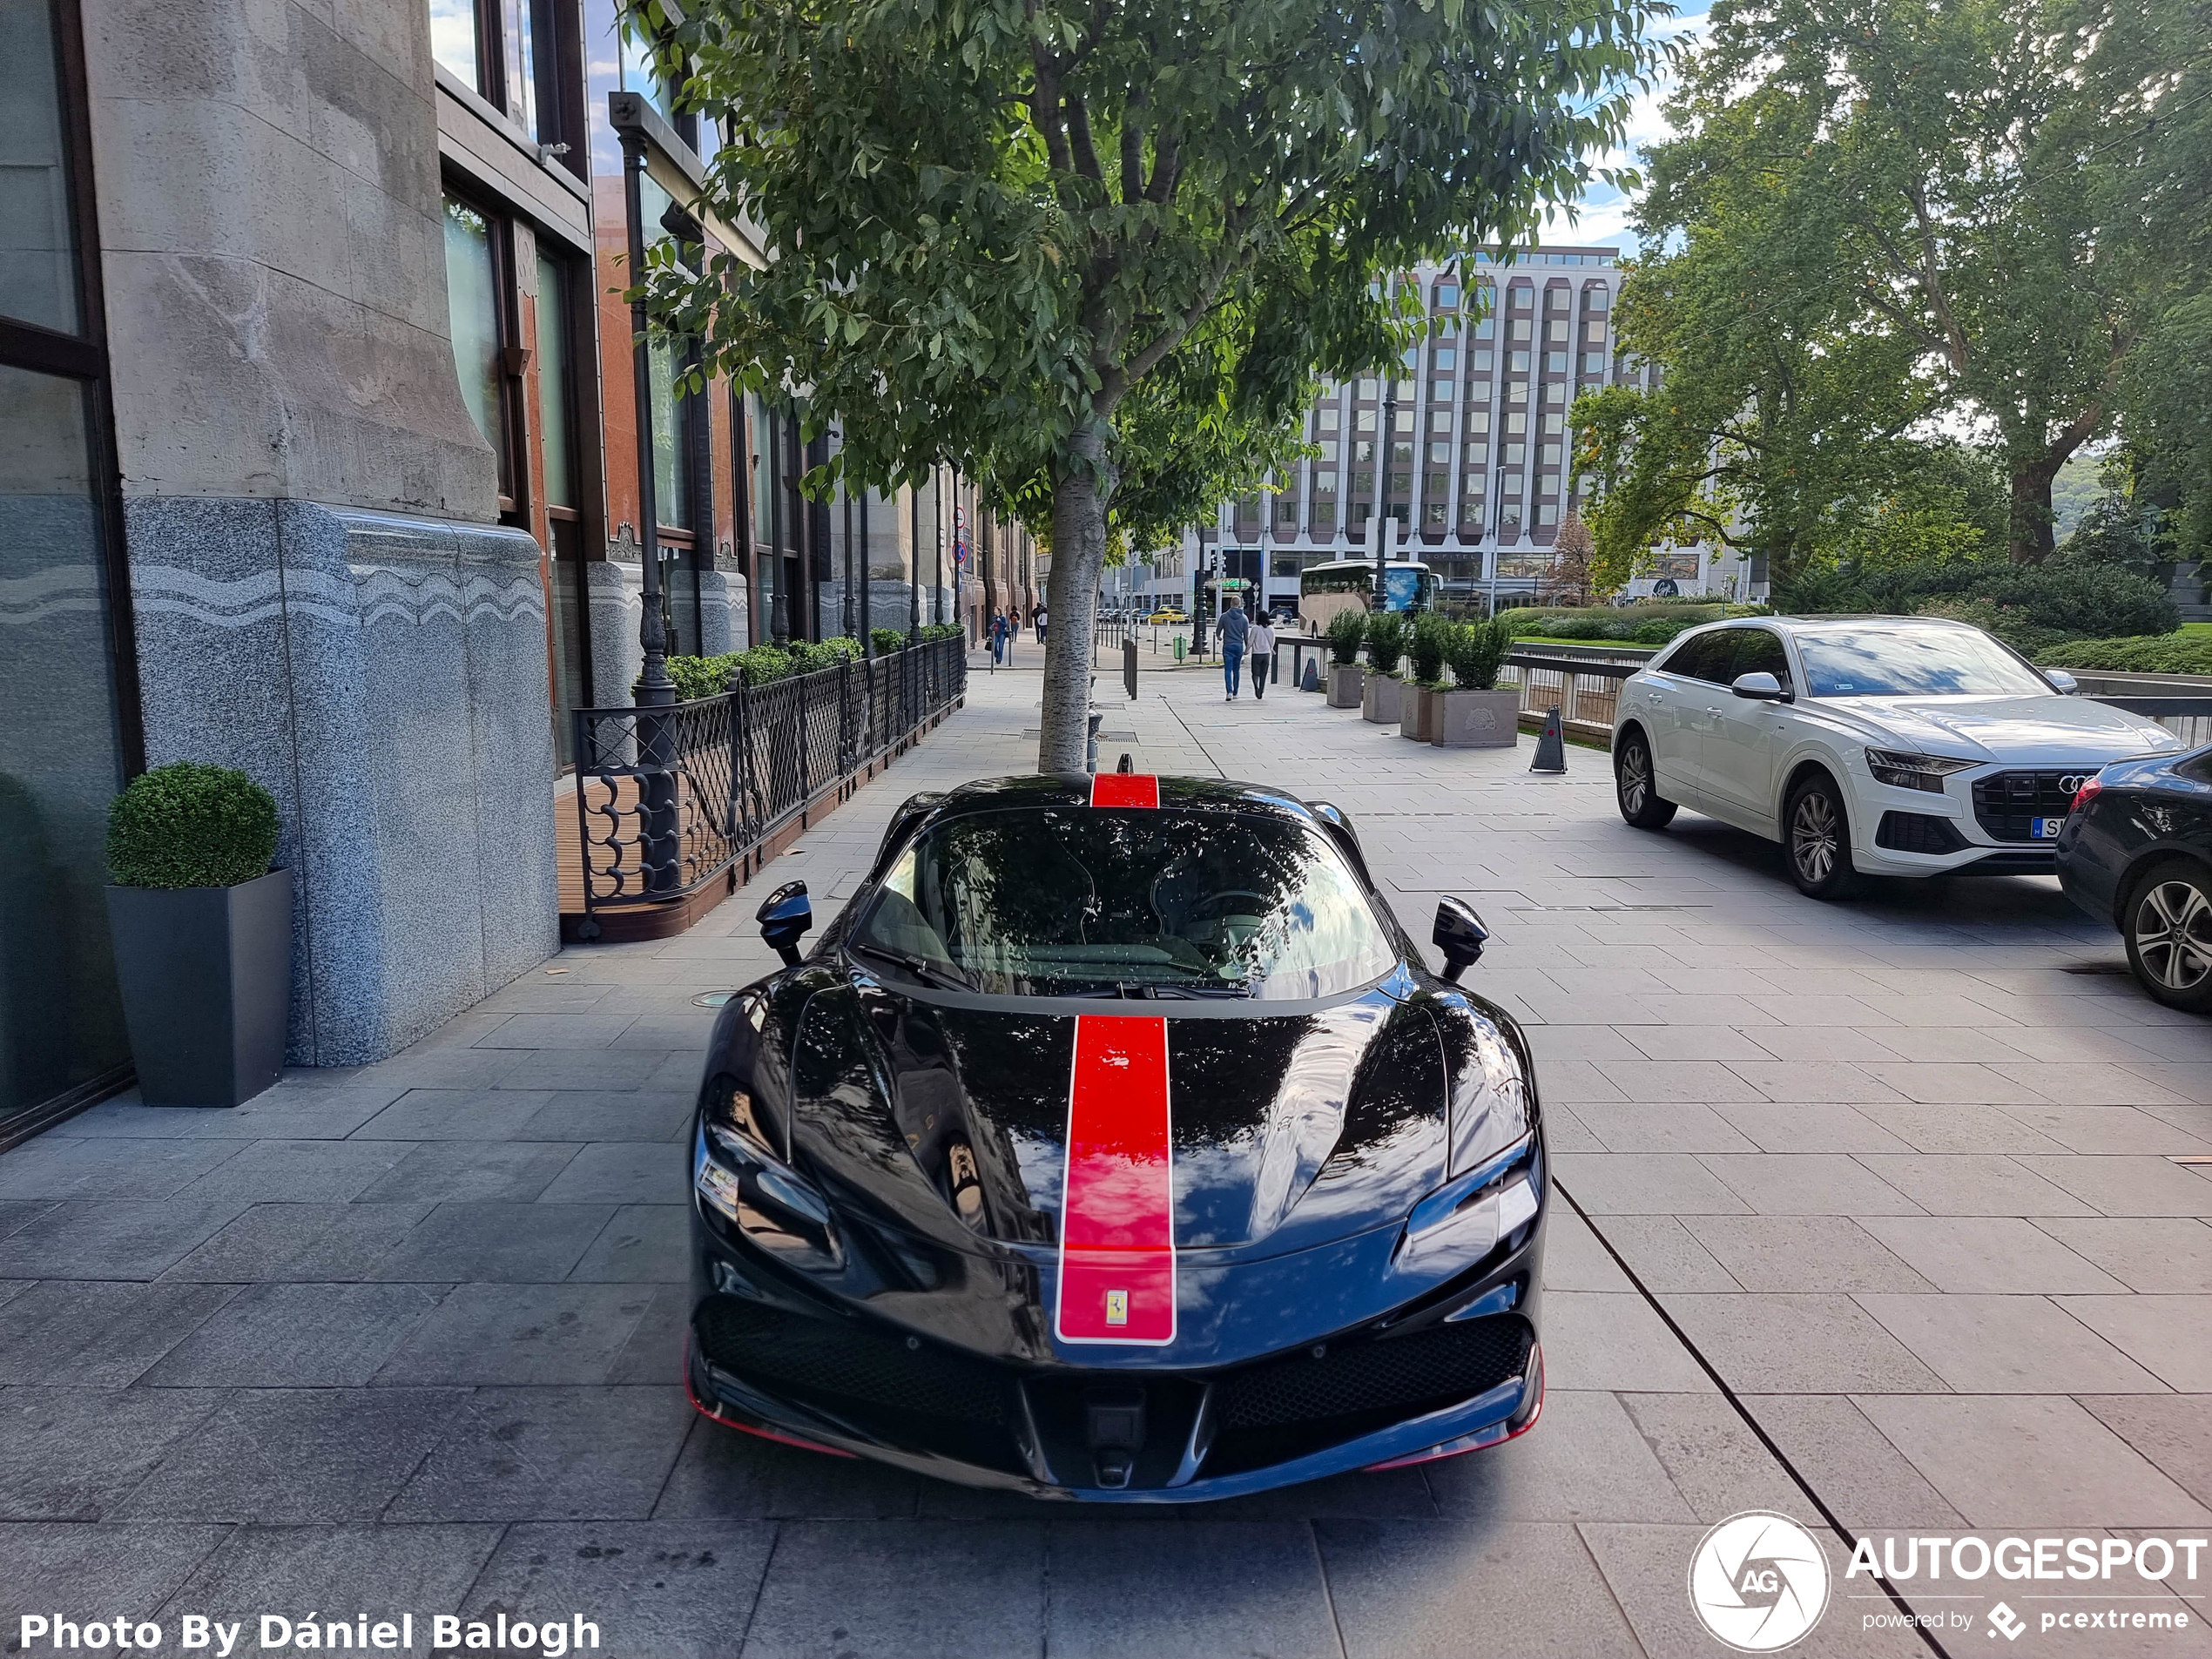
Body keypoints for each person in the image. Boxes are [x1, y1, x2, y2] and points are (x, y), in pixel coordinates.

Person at [1218, 595, 1250, 700]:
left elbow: (1218, 630)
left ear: (1231, 604)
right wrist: (1247, 648)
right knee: (1236, 670)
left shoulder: (1224, 616)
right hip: (1238, 646)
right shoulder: (1244, 618)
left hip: (1228, 645)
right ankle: (1236, 692)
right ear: (1240, 604)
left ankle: (1229, 692)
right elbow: (1246, 635)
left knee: (1228, 669)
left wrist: (1219, 637)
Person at [1249, 610, 1276, 699]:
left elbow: (1250, 641)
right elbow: (1273, 641)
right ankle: (1261, 690)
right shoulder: (1271, 628)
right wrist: (1270, 648)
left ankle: (1256, 687)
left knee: (1255, 674)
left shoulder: (1255, 628)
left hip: (1256, 653)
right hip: (1266, 654)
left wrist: (1246, 650)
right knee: (1263, 674)